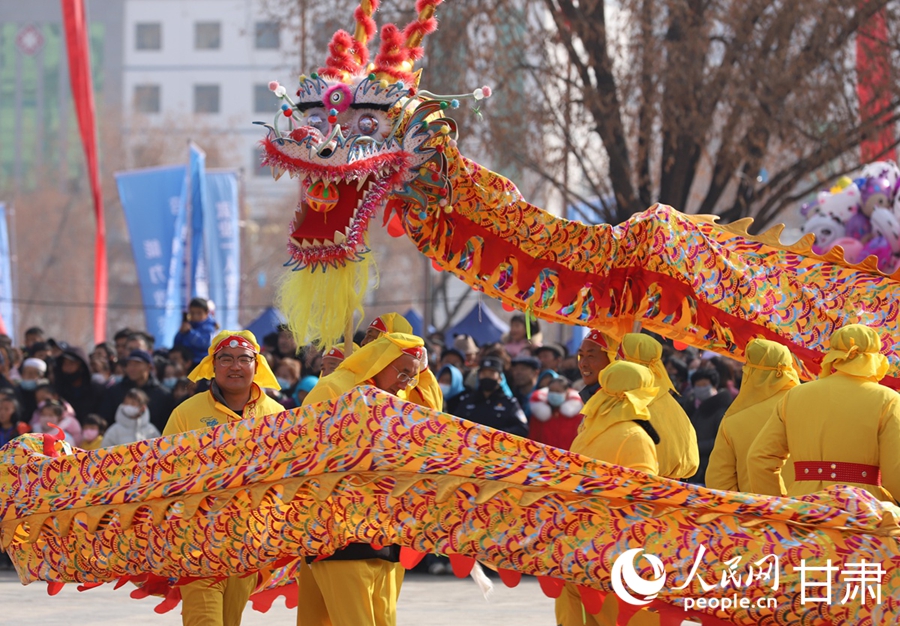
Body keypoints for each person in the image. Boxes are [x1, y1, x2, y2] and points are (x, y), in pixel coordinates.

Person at [298, 332, 429, 626]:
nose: (405, 383)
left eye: (411, 377)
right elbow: (306, 452)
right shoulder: (332, 389)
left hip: (383, 534)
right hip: (338, 534)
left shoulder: (397, 402)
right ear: (382, 362)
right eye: (403, 373)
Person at [163, 330, 285, 626]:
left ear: (257, 366)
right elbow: (163, 473)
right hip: (197, 539)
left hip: (250, 542)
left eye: (244, 359)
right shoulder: (186, 413)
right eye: (226, 359)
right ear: (212, 366)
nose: (235, 366)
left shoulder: (277, 414)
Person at [555, 361, 660, 626]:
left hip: (576, 548)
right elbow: (643, 504)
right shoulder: (635, 437)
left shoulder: (587, 432)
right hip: (616, 555)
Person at [748, 324, 900, 502]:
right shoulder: (888, 400)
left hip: (803, 511)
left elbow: (759, 458)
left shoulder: (794, 396)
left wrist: (778, 506)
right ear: (875, 359)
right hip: (863, 514)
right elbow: (896, 472)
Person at [705, 339, 800, 492]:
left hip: (755, 511)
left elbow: (718, 482)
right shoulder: (808, 407)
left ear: (749, 372)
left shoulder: (734, 420)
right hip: (807, 509)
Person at [617, 333, 699, 480]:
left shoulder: (632, 403)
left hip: (641, 489)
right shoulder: (670, 402)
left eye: (619, 356)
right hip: (673, 489)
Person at [99, 350, 175, 433]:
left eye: (136, 364)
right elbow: (106, 419)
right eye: (129, 364)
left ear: (149, 367)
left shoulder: (163, 395)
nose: (132, 368)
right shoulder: (114, 391)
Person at [451, 357, 528, 437]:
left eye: (491, 373)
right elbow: (454, 424)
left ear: (500, 378)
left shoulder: (509, 403)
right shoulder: (467, 401)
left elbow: (522, 428)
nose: (487, 377)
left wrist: (496, 435)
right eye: (484, 373)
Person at [683, 368, 733, 485]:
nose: (701, 389)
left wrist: (695, 447)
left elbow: (720, 441)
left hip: (709, 467)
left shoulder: (721, 409)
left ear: (713, 385)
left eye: (705, 385)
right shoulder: (690, 406)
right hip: (692, 469)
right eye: (698, 385)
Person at [528, 375, 583, 449]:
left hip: (568, 457)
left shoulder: (577, 415)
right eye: (551, 391)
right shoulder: (539, 413)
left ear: (566, 393)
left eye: (558, 391)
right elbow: (532, 438)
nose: (554, 394)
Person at [54, 346, 106, 422]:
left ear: (81, 366)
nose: (67, 367)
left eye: (71, 363)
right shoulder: (58, 390)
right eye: (65, 363)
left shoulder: (97, 390)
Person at [173, 297, 219, 366]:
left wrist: (189, 333)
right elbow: (176, 344)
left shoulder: (209, 328)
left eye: (199, 313)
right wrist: (181, 333)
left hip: (202, 363)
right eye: (192, 313)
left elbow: (205, 344)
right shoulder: (189, 325)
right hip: (187, 362)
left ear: (206, 313)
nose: (195, 316)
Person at [576, 330, 617, 402]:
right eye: (581, 355)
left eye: (590, 356)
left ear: (612, 358)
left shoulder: (618, 401)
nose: (583, 364)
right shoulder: (592, 396)